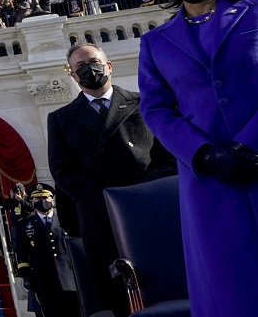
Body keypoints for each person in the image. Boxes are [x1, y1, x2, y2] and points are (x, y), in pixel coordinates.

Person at [138, 0, 258, 317]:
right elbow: (156, 110)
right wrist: (204, 154)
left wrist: (248, 144)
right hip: (209, 179)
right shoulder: (155, 42)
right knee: (230, 285)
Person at [47, 43, 175, 316]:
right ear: (72, 75)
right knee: (115, 295)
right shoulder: (60, 119)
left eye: (93, 61)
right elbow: (62, 171)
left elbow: (168, 156)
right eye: (79, 66)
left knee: (164, 287)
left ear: (109, 65)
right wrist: (104, 197)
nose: (88, 69)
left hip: (150, 210)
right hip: (100, 217)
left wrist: (140, 194)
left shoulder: (144, 103)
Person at [14, 186, 78, 317]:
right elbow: (21, 253)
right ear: (32, 201)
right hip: (42, 278)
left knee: (75, 311)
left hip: (69, 276)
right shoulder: (25, 225)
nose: (42, 200)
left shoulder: (66, 220)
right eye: (37, 198)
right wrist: (26, 274)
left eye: (45, 197)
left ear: (52, 200)